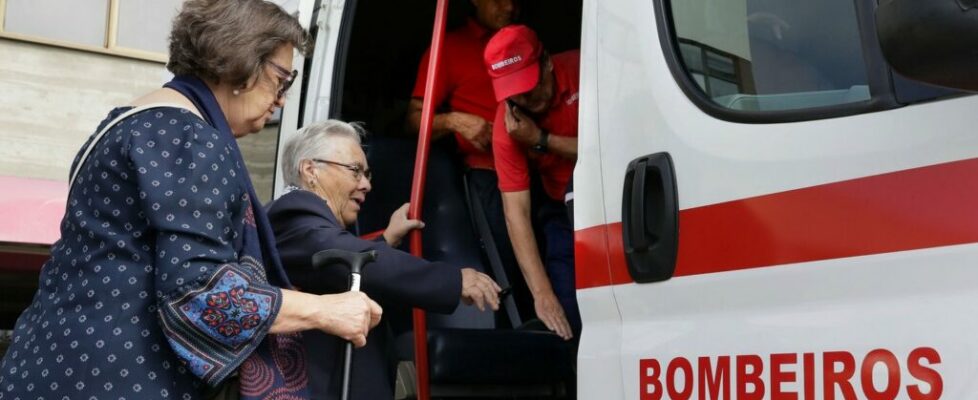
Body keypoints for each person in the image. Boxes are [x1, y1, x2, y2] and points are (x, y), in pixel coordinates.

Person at [0, 1, 382, 399]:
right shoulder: (188, 138)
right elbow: (204, 296)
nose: (282, 99)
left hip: (47, 363)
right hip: (121, 380)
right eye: (281, 79)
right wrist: (325, 310)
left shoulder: (128, 121)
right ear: (240, 63)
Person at [266, 120, 502, 400]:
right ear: (310, 170)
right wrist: (454, 280)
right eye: (355, 171)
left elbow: (330, 261)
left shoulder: (307, 224)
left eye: (367, 174)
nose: (366, 184)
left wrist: (386, 240)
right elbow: (336, 253)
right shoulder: (292, 213)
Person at [407, 0, 534, 323]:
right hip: (489, 177)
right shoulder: (449, 47)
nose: (509, 6)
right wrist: (454, 121)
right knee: (511, 276)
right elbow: (413, 120)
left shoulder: (527, 40)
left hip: (544, 172)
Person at [483, 25, 581, 341]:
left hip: (616, 195)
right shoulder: (508, 123)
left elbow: (613, 147)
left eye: (530, 83)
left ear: (548, 61)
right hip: (561, 210)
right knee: (566, 311)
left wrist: (541, 139)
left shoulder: (587, 69)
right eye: (515, 91)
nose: (525, 97)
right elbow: (516, 213)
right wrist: (542, 294)